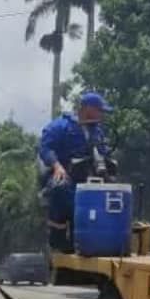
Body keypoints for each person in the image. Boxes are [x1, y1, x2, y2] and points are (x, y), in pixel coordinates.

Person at [37, 91, 113, 253]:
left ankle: (93, 237)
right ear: (88, 109)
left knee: (112, 191)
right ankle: (57, 235)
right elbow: (46, 148)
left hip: (88, 177)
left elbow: (103, 151)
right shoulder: (60, 126)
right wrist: (57, 166)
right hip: (65, 175)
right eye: (100, 110)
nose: (102, 115)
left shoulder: (97, 131)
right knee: (61, 186)